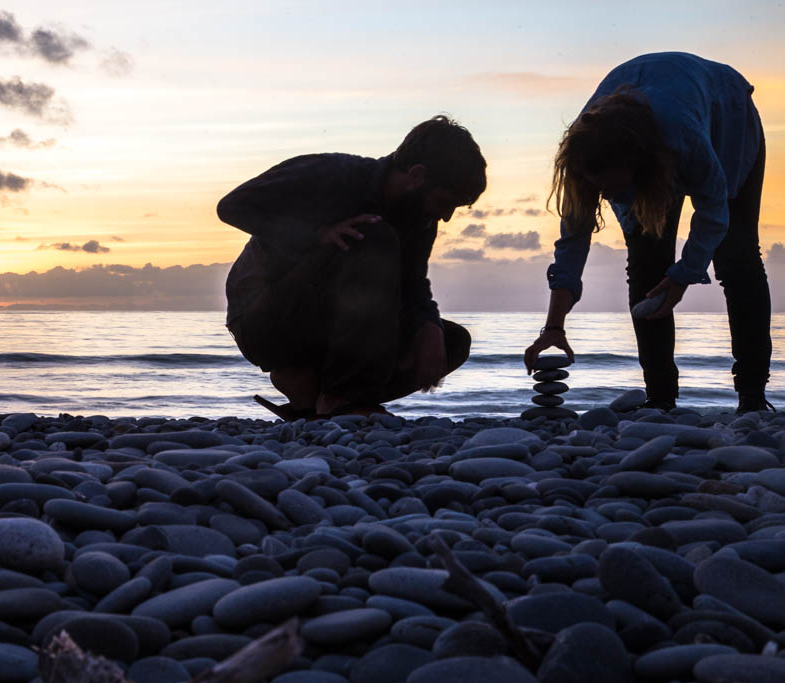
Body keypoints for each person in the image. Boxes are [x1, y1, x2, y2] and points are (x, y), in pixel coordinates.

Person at [524, 52, 771, 413]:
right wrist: (554, 327)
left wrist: (684, 274)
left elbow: (713, 211)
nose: (608, 199)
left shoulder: (684, 139)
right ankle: (660, 398)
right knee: (646, 266)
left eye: (616, 190)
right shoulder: (584, 154)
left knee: (737, 259)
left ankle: (752, 397)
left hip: (727, 113)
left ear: (645, 172)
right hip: (656, 121)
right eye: (602, 190)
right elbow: (572, 241)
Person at [218, 115, 485, 418]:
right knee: (374, 236)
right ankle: (343, 399)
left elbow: (412, 283)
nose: (446, 216)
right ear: (417, 175)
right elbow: (232, 206)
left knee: (450, 342)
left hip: (331, 333)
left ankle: (310, 389)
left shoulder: (420, 219)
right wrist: (317, 234)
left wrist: (429, 324)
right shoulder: (330, 173)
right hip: (262, 321)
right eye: (444, 201)